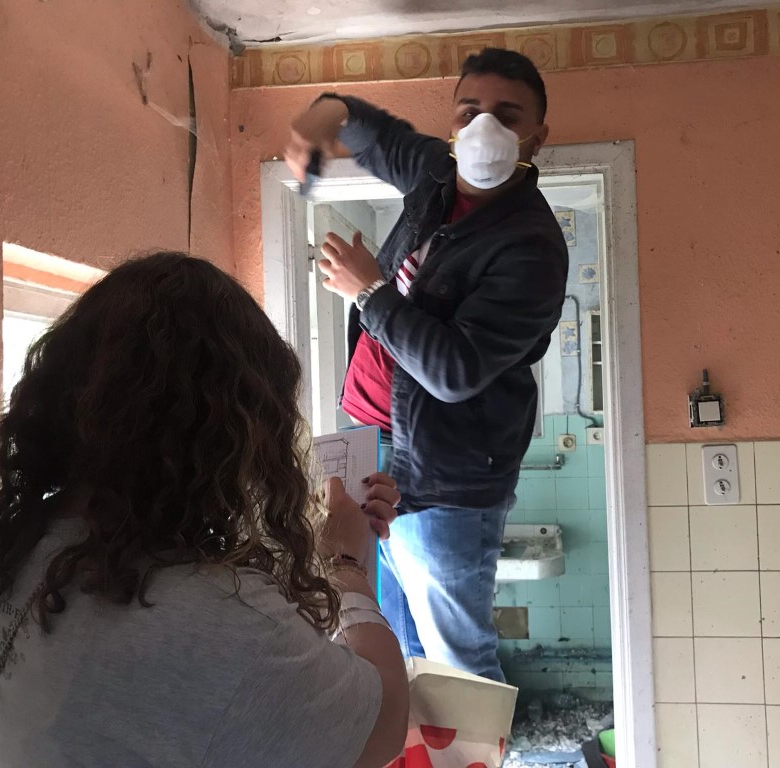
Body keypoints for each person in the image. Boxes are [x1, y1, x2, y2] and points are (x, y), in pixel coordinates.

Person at [0, 253, 409, 768]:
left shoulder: (10, 558)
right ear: (231, 436)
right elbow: (384, 725)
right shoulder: (231, 629)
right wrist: (345, 565)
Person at [285, 48, 569, 683]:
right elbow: (383, 139)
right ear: (453, 122)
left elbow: (455, 371)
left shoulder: (531, 247)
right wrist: (330, 111)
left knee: (457, 662)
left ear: (538, 136)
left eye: (507, 115)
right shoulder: (438, 175)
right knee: (383, 633)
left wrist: (369, 290)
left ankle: (476, 741)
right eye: (469, 111)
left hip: (444, 478)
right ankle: (410, 738)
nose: (483, 128)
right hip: (369, 440)